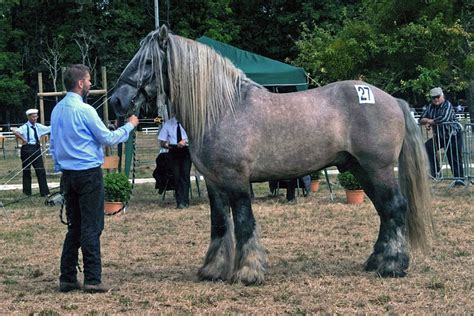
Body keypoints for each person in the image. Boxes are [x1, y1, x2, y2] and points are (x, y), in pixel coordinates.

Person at [50, 64, 139, 293]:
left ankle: (67, 276)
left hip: (68, 175)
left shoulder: (57, 110)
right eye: (89, 80)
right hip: (88, 174)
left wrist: (62, 169)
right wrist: (129, 126)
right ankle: (92, 279)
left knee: (75, 227)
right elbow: (107, 138)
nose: (90, 84)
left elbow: (54, 145)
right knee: (92, 227)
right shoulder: (85, 110)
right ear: (80, 83)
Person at [419, 87, 464, 185]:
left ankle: (459, 180)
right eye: (433, 97)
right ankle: (435, 173)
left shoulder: (447, 105)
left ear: (442, 96)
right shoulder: (430, 107)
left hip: (453, 135)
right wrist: (428, 120)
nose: (435, 99)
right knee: (428, 147)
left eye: (437, 96)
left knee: (454, 157)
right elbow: (421, 119)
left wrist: (430, 121)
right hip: (440, 136)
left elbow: (444, 118)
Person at [13, 109, 50, 196]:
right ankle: (27, 192)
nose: (35, 118)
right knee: (27, 171)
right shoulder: (25, 127)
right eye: (33, 117)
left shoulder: (38, 126)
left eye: (36, 116)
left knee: (41, 170)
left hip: (36, 148)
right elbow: (16, 131)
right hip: (27, 149)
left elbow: (48, 129)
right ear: (29, 117)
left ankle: (44, 192)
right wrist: (23, 139)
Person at [158, 117, 192, 209]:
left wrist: (185, 141)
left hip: (186, 151)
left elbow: (193, 137)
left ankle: (185, 201)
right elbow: (162, 142)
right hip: (173, 151)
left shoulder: (188, 122)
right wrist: (166, 144)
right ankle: (179, 201)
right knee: (176, 176)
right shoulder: (168, 124)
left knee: (185, 176)